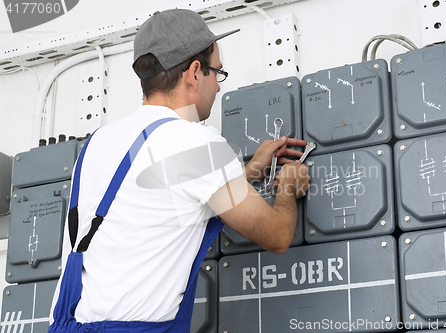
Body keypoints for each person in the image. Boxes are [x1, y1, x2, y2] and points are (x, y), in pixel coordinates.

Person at [48, 8, 310, 333]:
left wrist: (249, 171)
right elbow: (277, 236)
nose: (217, 88)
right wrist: (287, 186)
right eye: (218, 74)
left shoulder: (98, 142)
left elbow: (165, 205)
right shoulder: (194, 142)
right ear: (194, 73)